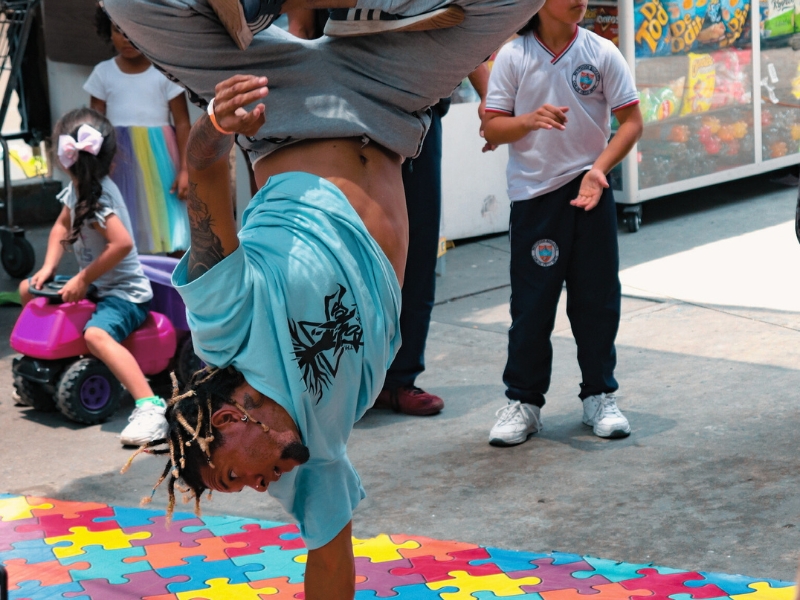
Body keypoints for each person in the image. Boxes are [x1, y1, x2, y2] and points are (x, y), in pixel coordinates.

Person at [104, 0, 543, 596]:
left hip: (279, 102)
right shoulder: (313, 460)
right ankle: (363, 8)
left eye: (238, 476)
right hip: (389, 96)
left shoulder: (222, 332)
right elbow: (330, 558)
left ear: (230, 419)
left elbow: (204, 175)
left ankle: (268, 7)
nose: (261, 489)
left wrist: (216, 123)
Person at [481, 0, 644, 447]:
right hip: (535, 200)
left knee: (597, 300)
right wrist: (528, 121)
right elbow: (492, 128)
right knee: (532, 307)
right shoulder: (514, 55)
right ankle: (524, 402)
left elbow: (631, 121)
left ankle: (600, 395)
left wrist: (599, 169)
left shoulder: (602, 52)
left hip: (590, 193)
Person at [19, 108, 169, 447]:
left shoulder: (101, 197)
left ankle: (149, 407)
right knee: (28, 290)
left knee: (97, 336)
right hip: (96, 285)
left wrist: (84, 278)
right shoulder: (76, 189)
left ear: (63, 156)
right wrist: (49, 267)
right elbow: (60, 224)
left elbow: (122, 244)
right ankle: (45, 374)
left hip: (124, 294)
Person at [85, 6, 192, 255]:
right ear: (108, 32)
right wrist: (93, 170)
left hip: (161, 163)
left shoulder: (165, 74)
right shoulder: (103, 73)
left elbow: (183, 123)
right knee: (124, 227)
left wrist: (186, 169)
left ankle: (172, 289)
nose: (127, 38)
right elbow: (94, 127)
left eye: (134, 30)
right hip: (118, 162)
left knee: (168, 228)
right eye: (119, 30)